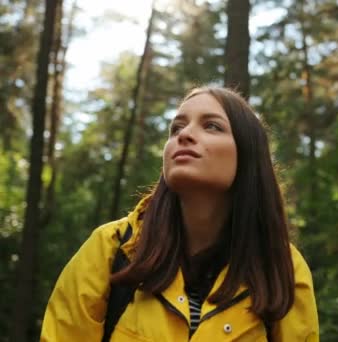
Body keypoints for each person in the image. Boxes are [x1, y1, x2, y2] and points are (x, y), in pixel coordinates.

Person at [40, 86, 319, 341]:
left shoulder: (283, 268)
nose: (184, 135)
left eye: (211, 126)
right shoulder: (111, 248)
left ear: (247, 155)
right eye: (176, 129)